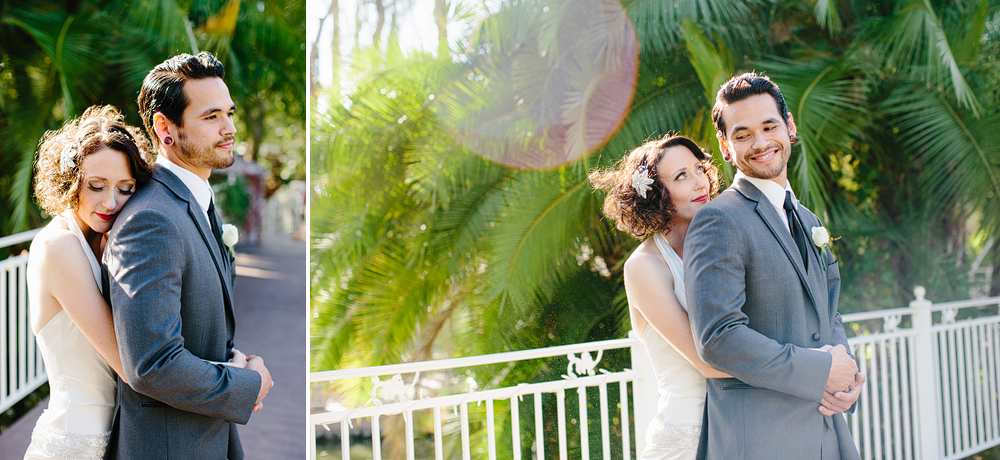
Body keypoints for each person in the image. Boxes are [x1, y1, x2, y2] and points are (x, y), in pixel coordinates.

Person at [683, 72, 864, 460]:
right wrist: (819, 372)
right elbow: (719, 337)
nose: (761, 143)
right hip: (759, 439)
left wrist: (844, 374)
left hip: (825, 432)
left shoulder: (810, 220)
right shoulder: (718, 220)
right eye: (743, 134)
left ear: (790, 127)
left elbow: (828, 312)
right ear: (726, 147)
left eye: (769, 126)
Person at [102, 51, 273, 460]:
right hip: (169, 446)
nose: (229, 128)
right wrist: (249, 385)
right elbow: (152, 362)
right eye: (211, 117)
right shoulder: (151, 220)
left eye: (229, 113)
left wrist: (234, 360)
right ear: (165, 128)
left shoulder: (193, 203)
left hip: (205, 435)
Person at [23, 105, 154, 459]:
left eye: (125, 189)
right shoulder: (58, 247)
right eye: (96, 186)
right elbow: (131, 366)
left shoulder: (101, 240)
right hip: (73, 444)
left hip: (114, 439)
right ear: (70, 181)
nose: (110, 202)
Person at [589, 135, 729, 459]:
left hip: (740, 429)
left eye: (699, 168)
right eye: (681, 176)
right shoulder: (643, 267)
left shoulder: (720, 245)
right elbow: (707, 360)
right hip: (687, 440)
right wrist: (804, 373)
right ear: (655, 196)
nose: (700, 182)